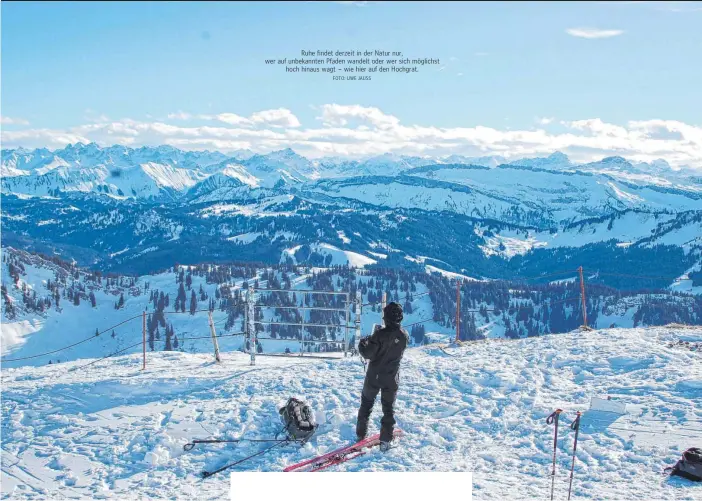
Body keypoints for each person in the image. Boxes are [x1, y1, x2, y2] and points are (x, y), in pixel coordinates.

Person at [356, 302, 409, 452]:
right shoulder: (404, 335)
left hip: (374, 376)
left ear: (386, 317)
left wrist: (363, 344)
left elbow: (368, 353)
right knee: (388, 409)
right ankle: (386, 440)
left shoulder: (379, 334)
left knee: (366, 404)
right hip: (391, 378)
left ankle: (360, 435)